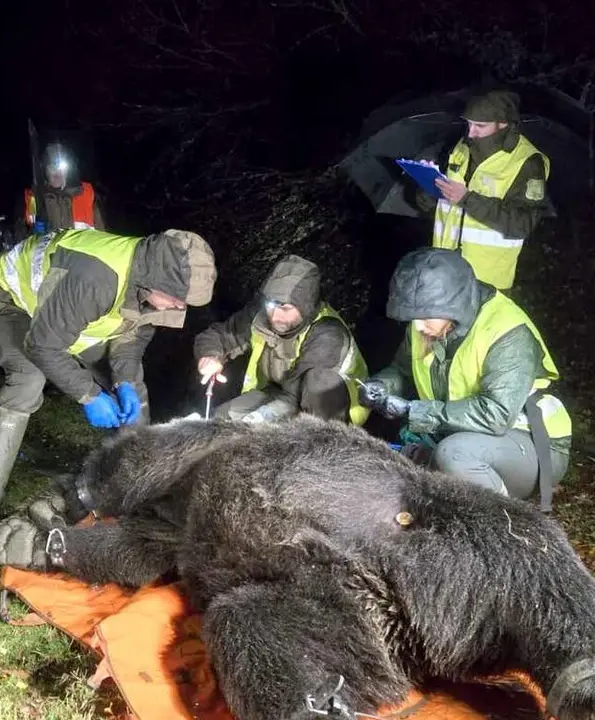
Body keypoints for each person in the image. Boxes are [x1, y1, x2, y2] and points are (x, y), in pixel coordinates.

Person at [0, 227, 217, 539]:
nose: (179, 308)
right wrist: (88, 395)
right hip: (14, 297)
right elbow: (43, 346)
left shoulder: (153, 285)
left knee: (133, 387)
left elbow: (130, 339)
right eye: (176, 299)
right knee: (27, 379)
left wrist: (124, 380)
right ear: (154, 281)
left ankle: (137, 499)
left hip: (71, 316)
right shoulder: (97, 279)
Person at [359, 248, 572, 510]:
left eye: (426, 318)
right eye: (413, 318)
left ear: (454, 307)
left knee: (453, 455)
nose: (418, 327)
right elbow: (401, 370)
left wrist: (415, 410)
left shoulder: (508, 333)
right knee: (396, 460)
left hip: (531, 445)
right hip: (461, 432)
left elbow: (495, 415)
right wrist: (382, 385)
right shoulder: (427, 323)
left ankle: (505, 522)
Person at [191, 255, 369, 425]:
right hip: (279, 390)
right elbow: (220, 335)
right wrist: (210, 356)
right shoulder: (260, 316)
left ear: (305, 306)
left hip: (332, 406)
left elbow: (297, 397)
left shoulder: (328, 333)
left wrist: (258, 419)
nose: (275, 316)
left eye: (286, 308)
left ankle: (326, 445)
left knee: (318, 383)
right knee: (223, 418)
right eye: (271, 305)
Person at [412, 90, 550, 291]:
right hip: (444, 269)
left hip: (487, 281)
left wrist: (467, 199)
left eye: (480, 126)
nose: (470, 133)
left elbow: (523, 223)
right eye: (468, 124)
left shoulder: (528, 163)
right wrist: (428, 185)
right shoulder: (461, 147)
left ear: (502, 123)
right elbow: (436, 207)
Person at [14, 142, 106, 237]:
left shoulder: (86, 194)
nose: (57, 170)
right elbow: (20, 237)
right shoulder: (33, 198)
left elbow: (102, 236)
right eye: (51, 165)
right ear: (44, 169)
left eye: (61, 166)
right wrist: (34, 232)